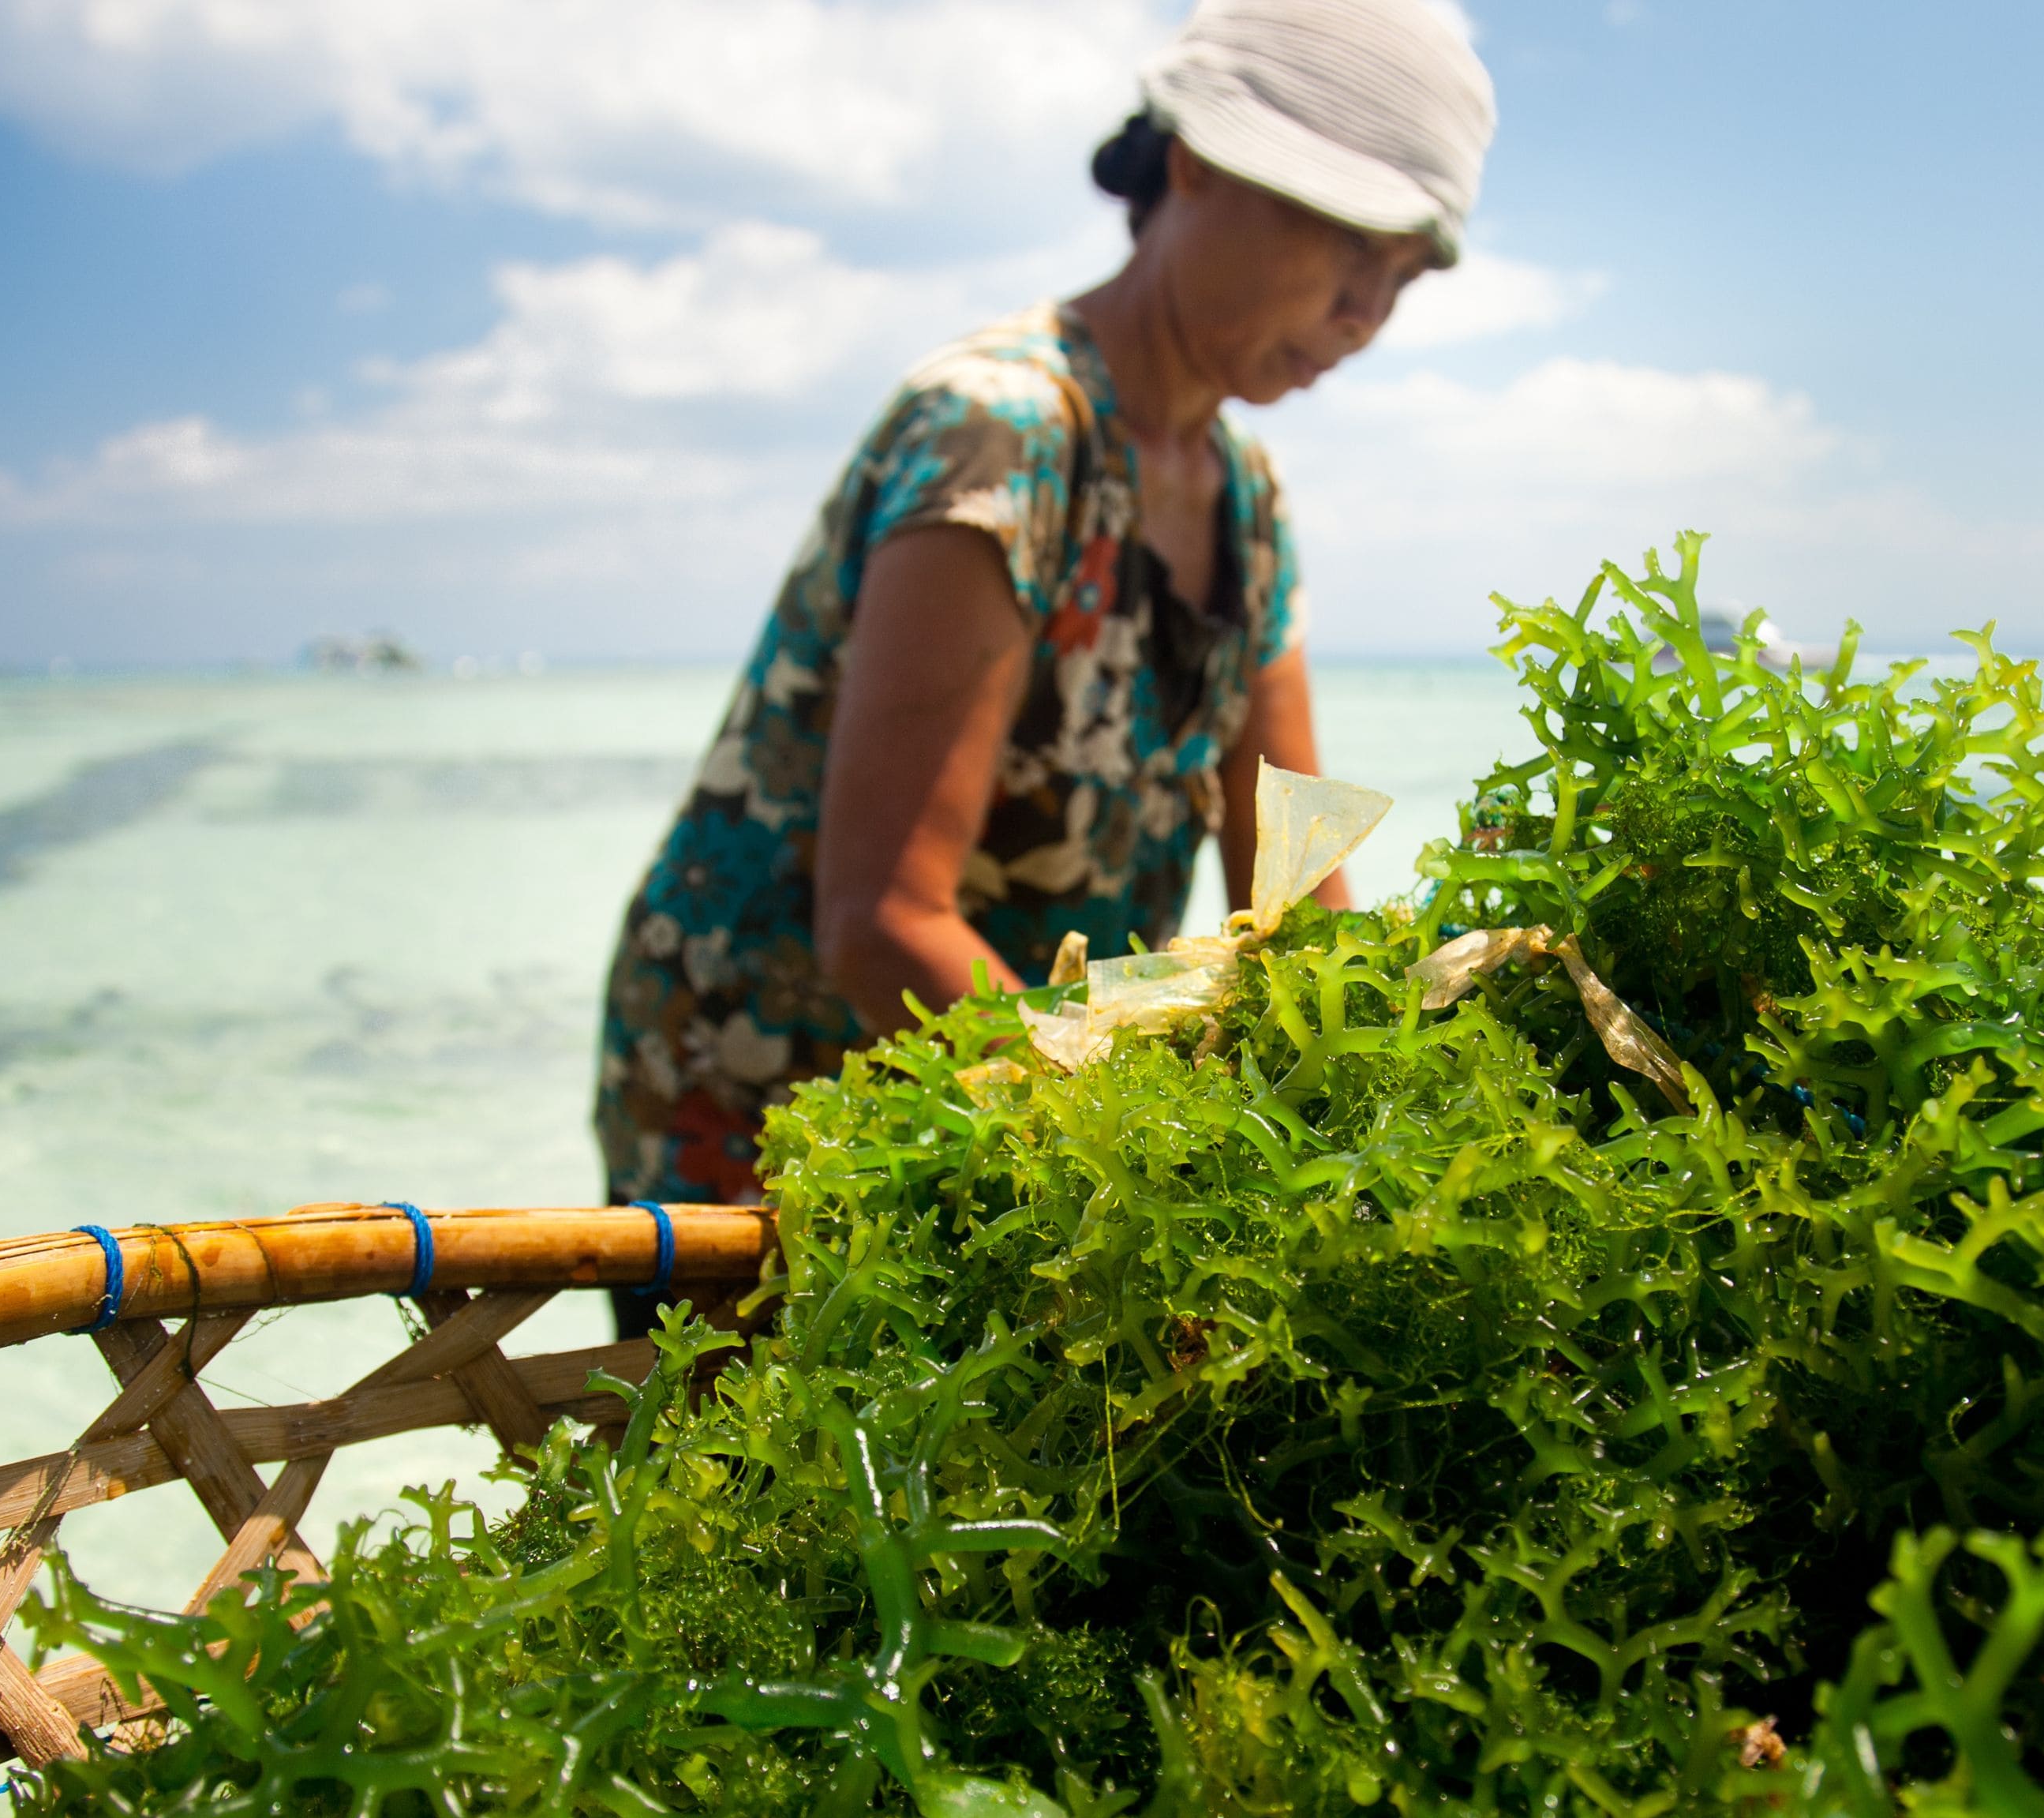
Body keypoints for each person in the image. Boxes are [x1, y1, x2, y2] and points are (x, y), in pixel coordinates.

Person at [593, 0, 1496, 1274]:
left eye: (1402, 277)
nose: (1365, 311)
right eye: (1351, 242)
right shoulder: (1001, 433)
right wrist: (1164, 1154)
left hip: (1023, 1115)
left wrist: (1383, 1106)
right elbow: (882, 923)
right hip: (771, 1105)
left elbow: (1297, 904)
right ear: (1198, 163)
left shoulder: (1248, 502)